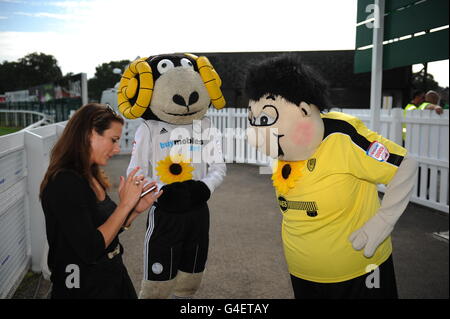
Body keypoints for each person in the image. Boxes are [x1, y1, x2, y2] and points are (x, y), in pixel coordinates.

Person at [245, 56, 418, 299]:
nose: (255, 132)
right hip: (302, 275)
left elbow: (404, 165)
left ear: (304, 110)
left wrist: (384, 220)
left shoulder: (342, 137)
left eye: (265, 119)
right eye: (254, 120)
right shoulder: (287, 148)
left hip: (360, 271)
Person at [39, 103, 162, 299]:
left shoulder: (91, 175)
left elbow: (105, 229)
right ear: (89, 134)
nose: (117, 148)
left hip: (112, 275)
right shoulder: (64, 182)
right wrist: (124, 206)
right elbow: (90, 247)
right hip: (82, 285)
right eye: (113, 140)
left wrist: (134, 211)